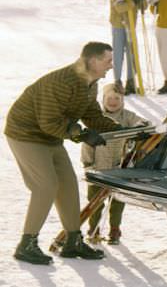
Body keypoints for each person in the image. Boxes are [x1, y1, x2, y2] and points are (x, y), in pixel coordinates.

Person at [5, 42, 120, 265]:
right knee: (46, 186)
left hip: (52, 136)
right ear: (93, 61)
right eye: (108, 61)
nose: (110, 66)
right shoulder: (61, 82)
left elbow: (92, 115)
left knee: (67, 184)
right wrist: (82, 135)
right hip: (25, 133)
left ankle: (73, 241)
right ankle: (26, 244)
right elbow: (48, 122)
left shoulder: (90, 82)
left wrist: (121, 130)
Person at [81, 83, 148, 244]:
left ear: (122, 100)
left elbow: (144, 122)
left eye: (117, 98)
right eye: (109, 98)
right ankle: (94, 228)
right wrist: (88, 165)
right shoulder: (97, 118)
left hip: (119, 168)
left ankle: (115, 229)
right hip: (98, 168)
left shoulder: (127, 116)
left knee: (117, 201)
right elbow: (87, 144)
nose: (113, 102)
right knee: (95, 201)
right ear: (103, 99)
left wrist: (138, 130)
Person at [109, 0, 147, 95]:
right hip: (119, 26)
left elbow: (143, 6)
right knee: (118, 53)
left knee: (132, 53)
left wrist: (142, 1)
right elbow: (119, 8)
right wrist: (132, 2)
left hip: (131, 26)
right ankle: (117, 81)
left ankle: (131, 81)